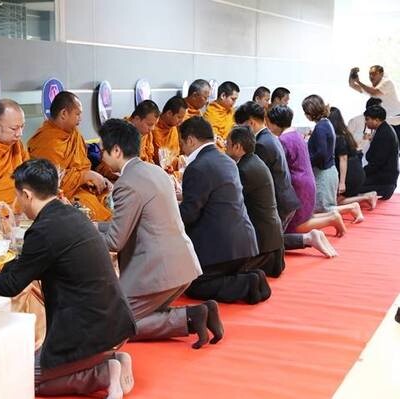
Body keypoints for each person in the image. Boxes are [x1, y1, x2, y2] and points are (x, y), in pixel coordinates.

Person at [0, 159, 136, 398]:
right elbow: (29, 266)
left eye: (18, 196)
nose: (17, 203)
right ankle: (111, 359)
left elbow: (11, 285)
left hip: (88, 330)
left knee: (20, 378)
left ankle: (102, 372)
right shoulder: (70, 214)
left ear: (27, 195)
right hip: (113, 320)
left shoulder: (43, 230)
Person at [97, 119, 223, 349]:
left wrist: (84, 235)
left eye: (102, 151)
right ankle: (196, 314)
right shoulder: (154, 171)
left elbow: (115, 240)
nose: (101, 157)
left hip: (157, 270)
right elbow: (130, 224)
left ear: (116, 150)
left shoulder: (126, 183)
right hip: (182, 263)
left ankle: (190, 317)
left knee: (111, 325)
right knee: (135, 316)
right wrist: (94, 226)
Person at [178, 117, 268, 304]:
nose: (182, 149)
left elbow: (189, 213)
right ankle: (251, 275)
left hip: (221, 247)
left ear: (191, 140)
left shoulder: (197, 167)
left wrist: (166, 212)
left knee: (196, 286)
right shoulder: (226, 161)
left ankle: (249, 282)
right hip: (243, 243)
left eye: (182, 143)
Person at [240, 102, 338, 257]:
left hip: (293, 186)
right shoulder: (285, 137)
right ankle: (311, 236)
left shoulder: (273, 141)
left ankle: (309, 237)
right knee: (288, 229)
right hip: (297, 185)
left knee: (270, 240)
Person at [28, 91, 112, 221]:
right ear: (64, 114)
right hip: (61, 196)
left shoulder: (74, 134)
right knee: (90, 210)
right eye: (77, 114)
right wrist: (85, 176)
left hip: (82, 188)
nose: (81, 118)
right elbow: (50, 181)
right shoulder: (47, 141)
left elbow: (83, 165)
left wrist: (95, 179)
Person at [226, 125, 285, 278]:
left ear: (238, 147)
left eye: (227, 144)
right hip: (272, 238)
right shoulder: (254, 161)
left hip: (264, 245)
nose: (225, 148)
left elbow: (229, 200)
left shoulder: (245, 170)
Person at [303, 95, 364, 223]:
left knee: (324, 208)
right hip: (328, 170)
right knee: (323, 207)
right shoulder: (326, 123)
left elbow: (321, 154)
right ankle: (352, 208)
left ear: (310, 113)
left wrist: (306, 160)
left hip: (323, 173)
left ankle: (352, 207)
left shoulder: (320, 127)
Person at [329, 107, 378, 209]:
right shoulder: (346, 133)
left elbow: (343, 159)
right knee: (337, 199)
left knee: (336, 203)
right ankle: (367, 196)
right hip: (357, 170)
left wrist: (342, 182)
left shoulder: (338, 137)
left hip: (350, 174)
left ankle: (367, 197)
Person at [357, 105, 399, 199]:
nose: (366, 122)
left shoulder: (384, 134)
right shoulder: (383, 129)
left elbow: (377, 163)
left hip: (385, 182)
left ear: (376, 120)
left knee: (353, 186)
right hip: (383, 176)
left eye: (367, 119)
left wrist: (361, 174)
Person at [151, 96, 187, 168]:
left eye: (182, 118)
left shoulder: (173, 128)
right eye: (179, 117)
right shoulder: (152, 127)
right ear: (169, 113)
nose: (181, 121)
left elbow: (175, 155)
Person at [204, 81, 240, 149]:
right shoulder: (211, 113)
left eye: (235, 100)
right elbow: (213, 139)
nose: (234, 103)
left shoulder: (231, 111)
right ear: (223, 96)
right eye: (233, 99)